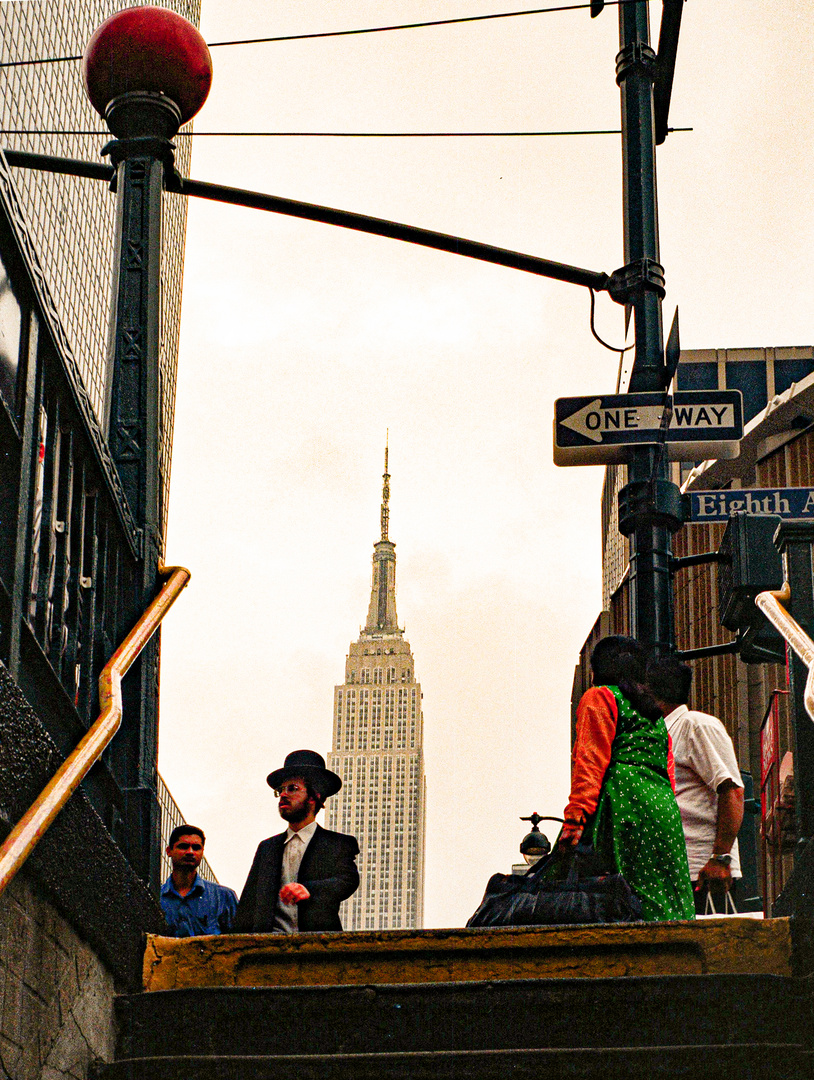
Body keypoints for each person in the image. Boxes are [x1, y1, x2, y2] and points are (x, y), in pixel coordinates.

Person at [559, 635, 695, 922]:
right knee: (665, 897)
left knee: (624, 897)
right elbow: (667, 769)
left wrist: (575, 820)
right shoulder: (655, 715)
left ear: (598, 670)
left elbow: (590, 761)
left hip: (624, 802)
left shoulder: (600, 697)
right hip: (664, 810)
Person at [647, 656, 745, 915]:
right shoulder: (661, 733)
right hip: (674, 871)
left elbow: (732, 790)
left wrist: (720, 858)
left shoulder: (695, 725)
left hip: (702, 873)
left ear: (651, 692)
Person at [233, 750, 359, 933]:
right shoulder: (267, 848)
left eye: (292, 788)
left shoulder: (337, 844)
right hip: (269, 950)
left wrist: (310, 890)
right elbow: (248, 905)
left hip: (317, 950)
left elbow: (348, 880)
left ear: (315, 796)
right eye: (280, 790)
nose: (283, 795)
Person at [160, 825, 238, 937]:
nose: (190, 852)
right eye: (183, 846)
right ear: (168, 851)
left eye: (196, 848)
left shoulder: (224, 898)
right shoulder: (157, 898)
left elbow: (241, 941)